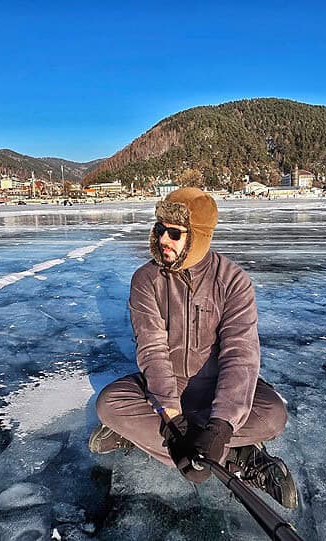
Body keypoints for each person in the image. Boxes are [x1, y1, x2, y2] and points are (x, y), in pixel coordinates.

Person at [88, 187, 298, 509]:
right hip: (165, 389)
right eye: (159, 229)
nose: (163, 240)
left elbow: (240, 356)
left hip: (215, 389)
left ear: (198, 236)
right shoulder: (146, 280)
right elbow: (152, 351)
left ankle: (144, 437)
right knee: (109, 404)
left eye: (174, 233)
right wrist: (173, 420)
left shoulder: (233, 281)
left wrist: (221, 427)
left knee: (273, 415)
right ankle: (238, 457)